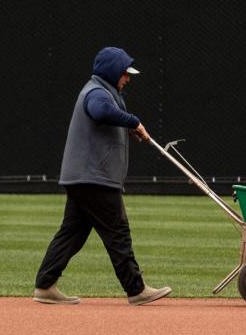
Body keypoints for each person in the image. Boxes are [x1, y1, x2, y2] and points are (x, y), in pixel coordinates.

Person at [33, 46, 172, 306]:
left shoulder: (103, 91)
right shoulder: (97, 92)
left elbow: (105, 118)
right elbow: (99, 111)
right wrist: (133, 122)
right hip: (94, 178)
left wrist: (127, 127)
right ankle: (136, 289)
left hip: (84, 178)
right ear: (111, 72)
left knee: (72, 233)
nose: (128, 78)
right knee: (118, 232)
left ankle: (44, 285)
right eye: (125, 73)